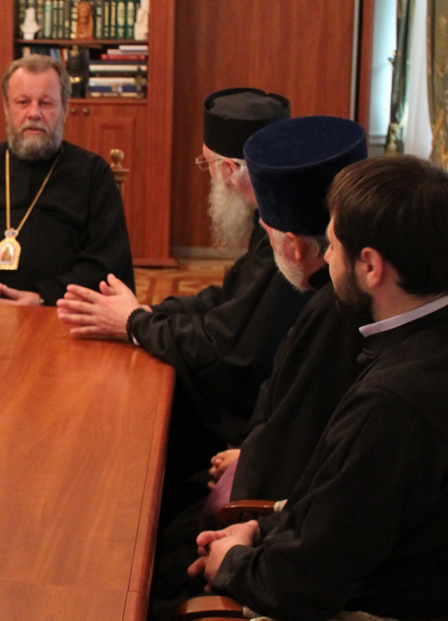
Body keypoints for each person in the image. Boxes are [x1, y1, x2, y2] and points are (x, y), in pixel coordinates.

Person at [190, 155, 448, 621]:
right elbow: (340, 513)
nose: (325, 257)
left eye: (333, 245)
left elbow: (301, 583)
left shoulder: (393, 403)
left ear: (370, 266)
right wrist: (258, 532)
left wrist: (232, 562)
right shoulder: (416, 345)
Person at [148, 116, 367, 621]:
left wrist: (249, 470)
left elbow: (297, 441)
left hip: (268, 533)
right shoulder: (344, 300)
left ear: (294, 245)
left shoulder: (331, 315)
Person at [56, 88, 308, 519]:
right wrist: (150, 314)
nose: (208, 176)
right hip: (254, 388)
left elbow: (226, 349)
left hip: (251, 408)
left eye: (207, 164)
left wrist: (135, 324)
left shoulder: (286, 242)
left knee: (146, 409)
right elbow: (227, 300)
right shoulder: (272, 220)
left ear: (230, 169)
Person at [0, 54, 134, 306]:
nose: (34, 113)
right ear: (6, 108)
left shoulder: (93, 175)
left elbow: (107, 260)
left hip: (60, 315)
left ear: (65, 109)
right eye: (23, 102)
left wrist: (46, 297)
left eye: (46, 103)